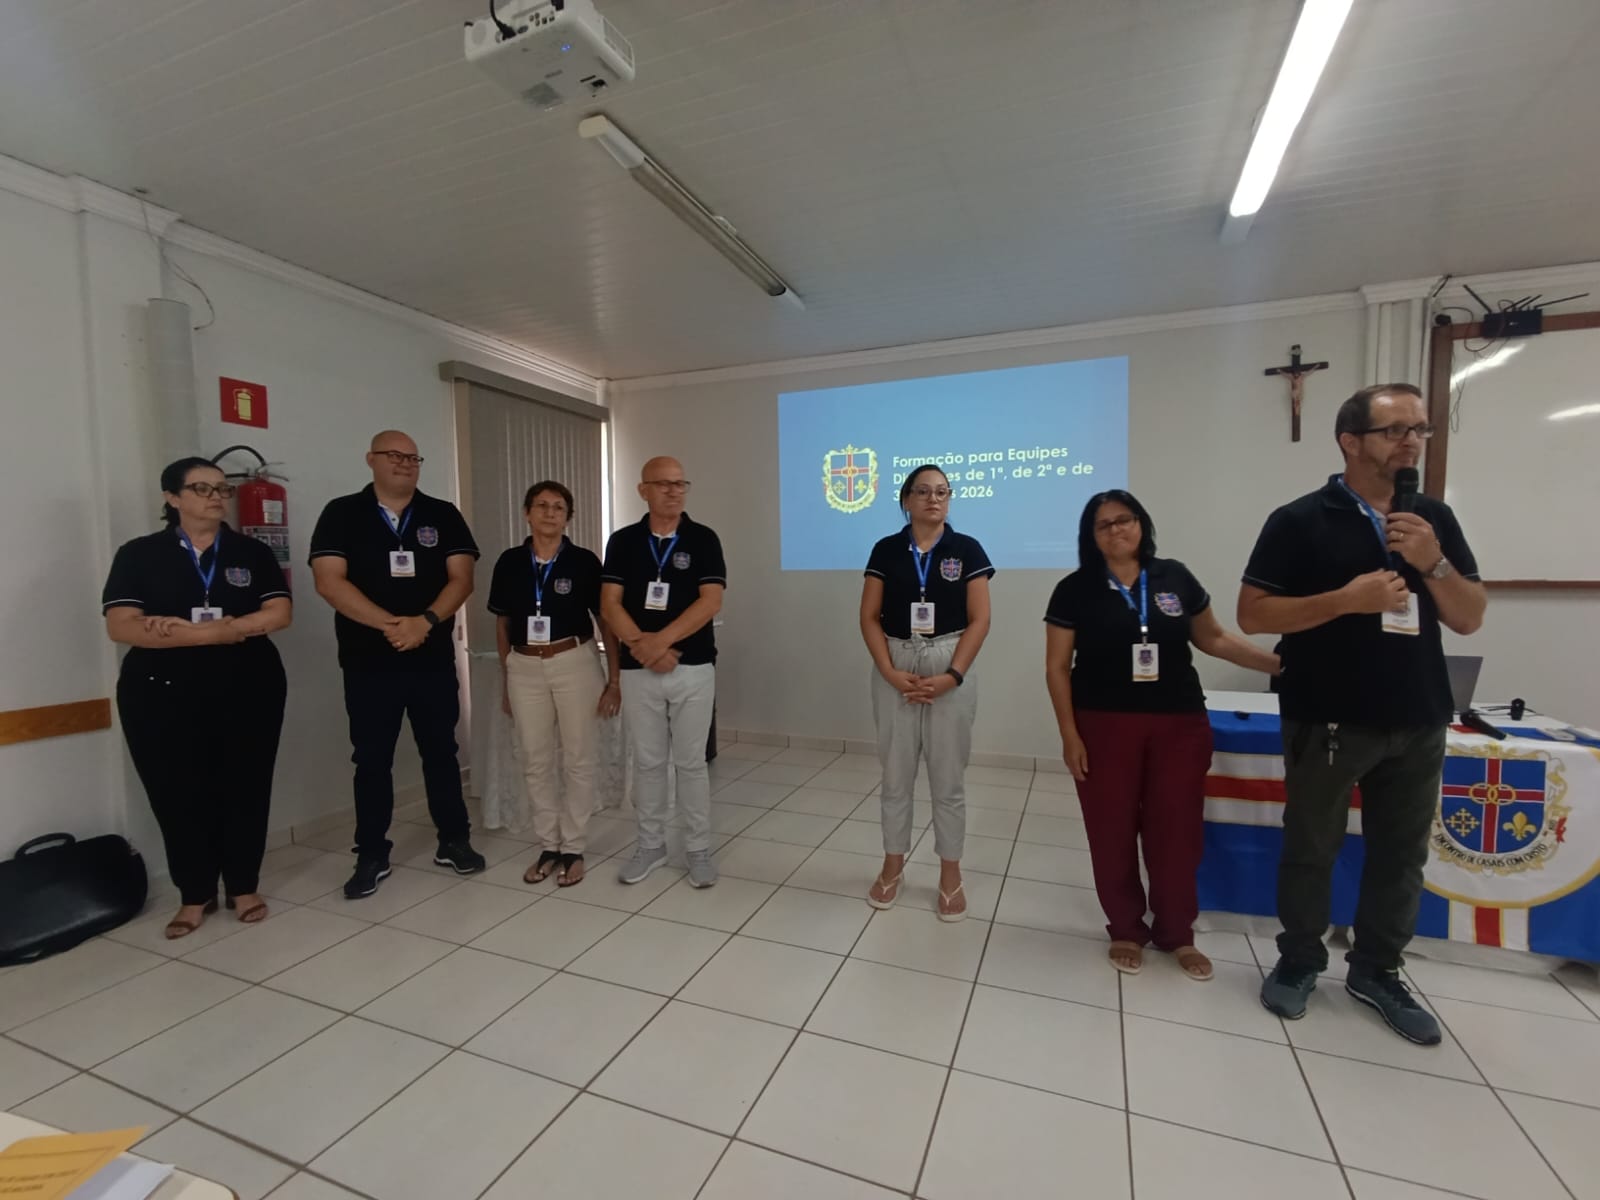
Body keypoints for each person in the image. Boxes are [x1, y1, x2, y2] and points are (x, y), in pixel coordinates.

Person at [1239, 383, 1485, 1044]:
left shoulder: (1433, 520)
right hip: (1327, 716)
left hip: (1418, 716)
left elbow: (1468, 617)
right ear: (1350, 441)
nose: (1412, 442)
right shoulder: (1298, 520)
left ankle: (1377, 970)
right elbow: (1253, 614)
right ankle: (1299, 961)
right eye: (1395, 430)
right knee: (1310, 848)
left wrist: (1433, 562)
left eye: (1420, 429)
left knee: (1401, 856)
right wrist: (1345, 600)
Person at [1044, 490, 1279, 978]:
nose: (1116, 530)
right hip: (1103, 726)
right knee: (1110, 830)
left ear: (1141, 524)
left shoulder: (1174, 576)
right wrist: (1069, 734)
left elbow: (1213, 637)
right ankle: (1126, 928)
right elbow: (1057, 667)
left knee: (1177, 832)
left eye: (1124, 519)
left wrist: (1279, 666)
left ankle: (1176, 933)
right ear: (1091, 536)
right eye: (1103, 524)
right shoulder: (1074, 589)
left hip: (1179, 725)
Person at [102, 457, 291, 938]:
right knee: (176, 790)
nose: (215, 497)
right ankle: (194, 893)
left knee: (246, 786)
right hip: (159, 692)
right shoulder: (139, 554)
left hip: (248, 685)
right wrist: (213, 633)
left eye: (221, 489)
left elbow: (279, 612)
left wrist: (188, 630)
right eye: (201, 488)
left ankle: (243, 886)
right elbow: (122, 626)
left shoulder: (251, 552)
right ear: (172, 498)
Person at [309, 430, 486, 899]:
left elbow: (462, 578)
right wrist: (391, 625)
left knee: (441, 752)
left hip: (430, 658)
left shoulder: (442, 514)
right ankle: (371, 853)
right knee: (371, 759)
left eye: (413, 457)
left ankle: (454, 840)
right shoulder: (341, 513)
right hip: (369, 661)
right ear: (370, 459)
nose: (405, 463)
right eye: (394, 455)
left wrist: (423, 623)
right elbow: (329, 581)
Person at [860, 465, 993, 921]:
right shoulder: (886, 549)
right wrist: (888, 671)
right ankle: (892, 865)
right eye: (923, 491)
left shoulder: (967, 549)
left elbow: (980, 619)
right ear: (906, 500)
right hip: (896, 662)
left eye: (942, 492)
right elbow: (868, 616)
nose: (934, 499)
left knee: (947, 779)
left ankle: (950, 873)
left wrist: (953, 675)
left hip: (949, 660)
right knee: (896, 776)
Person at [488, 481, 621, 888]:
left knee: (579, 757)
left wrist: (614, 679)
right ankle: (549, 844)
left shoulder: (584, 562)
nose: (550, 513)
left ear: (568, 517)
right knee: (535, 759)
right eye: (542, 505)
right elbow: (503, 624)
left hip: (574, 662)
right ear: (527, 513)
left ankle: (573, 847)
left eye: (558, 507)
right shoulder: (510, 562)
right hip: (524, 666)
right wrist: (507, 679)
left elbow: (605, 622)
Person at [601, 456, 725, 888]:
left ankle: (698, 849)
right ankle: (650, 846)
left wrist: (661, 642)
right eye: (664, 484)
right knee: (650, 763)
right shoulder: (623, 541)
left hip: (693, 667)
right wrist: (643, 645)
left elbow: (710, 601)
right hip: (638, 670)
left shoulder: (704, 539)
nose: (674, 491)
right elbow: (610, 604)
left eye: (680, 484)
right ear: (643, 490)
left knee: (691, 764)